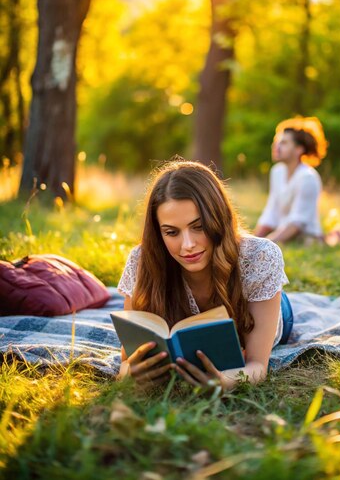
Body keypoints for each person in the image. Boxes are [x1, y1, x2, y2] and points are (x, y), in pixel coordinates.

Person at [117, 160, 292, 392]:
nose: (188, 245)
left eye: (198, 226)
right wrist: (132, 374)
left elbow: (258, 365)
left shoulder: (260, 256)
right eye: (171, 232)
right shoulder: (142, 261)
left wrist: (224, 382)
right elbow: (125, 363)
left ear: (217, 218)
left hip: (264, 307)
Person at [255, 117, 328, 244]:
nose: (276, 146)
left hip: (306, 239)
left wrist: (266, 243)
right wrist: (253, 240)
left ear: (299, 149)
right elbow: (271, 213)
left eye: (283, 143)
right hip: (282, 235)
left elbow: (297, 223)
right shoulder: (277, 171)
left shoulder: (307, 177)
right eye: (277, 142)